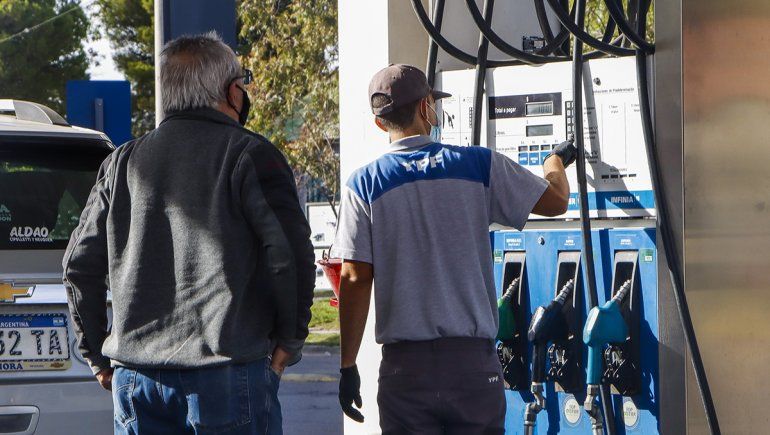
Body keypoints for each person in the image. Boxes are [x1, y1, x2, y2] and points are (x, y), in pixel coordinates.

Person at [62, 32, 315, 435]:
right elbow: (289, 254)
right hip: (227, 371)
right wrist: (289, 340)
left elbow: (78, 265)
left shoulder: (122, 163)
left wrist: (97, 354)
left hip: (136, 379)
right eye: (243, 84)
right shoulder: (250, 155)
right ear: (232, 91)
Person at [332, 64, 576, 434]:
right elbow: (557, 201)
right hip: (472, 368)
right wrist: (553, 161)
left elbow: (354, 278)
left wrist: (347, 365)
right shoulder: (479, 165)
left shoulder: (363, 185)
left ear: (381, 124)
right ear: (425, 107)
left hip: (404, 372)